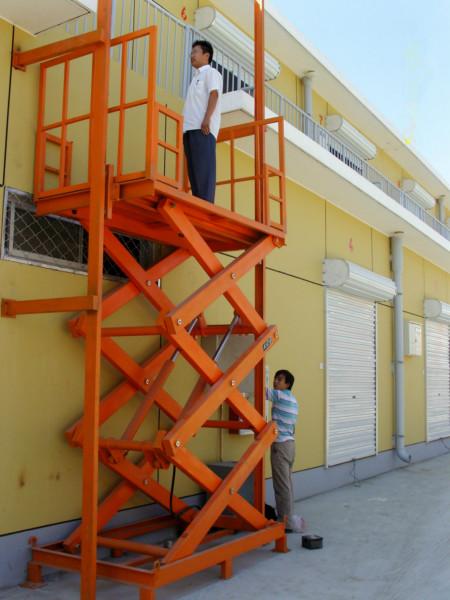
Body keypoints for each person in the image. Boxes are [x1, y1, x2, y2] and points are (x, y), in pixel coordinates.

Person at [183, 40, 222, 203]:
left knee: (203, 171)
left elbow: (214, 94)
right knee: (194, 171)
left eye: (195, 52)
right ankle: (199, 202)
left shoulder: (211, 73)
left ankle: (205, 204)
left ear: (206, 55)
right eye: (191, 52)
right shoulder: (195, 78)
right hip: (189, 130)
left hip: (203, 129)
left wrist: (206, 120)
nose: (192, 55)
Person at [267, 369, 304, 533]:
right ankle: (288, 517)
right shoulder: (294, 400)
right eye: (275, 378)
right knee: (287, 483)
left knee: (281, 485)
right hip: (290, 445)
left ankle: (285, 522)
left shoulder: (279, 395)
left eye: (280, 379)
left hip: (280, 446)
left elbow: (260, 391)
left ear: (287, 384)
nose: (275, 381)